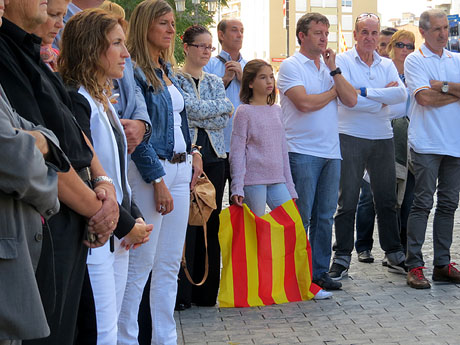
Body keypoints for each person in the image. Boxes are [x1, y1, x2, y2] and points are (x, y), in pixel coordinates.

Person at [0, 1, 119, 344]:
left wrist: (104, 182)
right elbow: (20, 156)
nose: (56, 20)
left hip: (75, 212)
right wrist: (99, 209)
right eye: (53, 14)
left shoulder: (31, 54)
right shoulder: (7, 53)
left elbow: (62, 135)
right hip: (52, 217)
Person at [59, 9, 153, 343]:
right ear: (90, 48)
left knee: (112, 326)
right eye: (116, 44)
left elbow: (117, 174)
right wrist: (129, 224)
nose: (126, 54)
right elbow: (87, 174)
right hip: (96, 236)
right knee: (99, 332)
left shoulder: (102, 99)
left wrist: (134, 217)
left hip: (116, 232)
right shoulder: (77, 100)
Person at [117, 1, 203, 344]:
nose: (171, 29)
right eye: (163, 23)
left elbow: (178, 121)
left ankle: (165, 339)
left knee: (168, 264)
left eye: (172, 23)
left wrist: (194, 151)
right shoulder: (133, 70)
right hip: (153, 170)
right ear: (145, 26)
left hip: (182, 168)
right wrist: (157, 180)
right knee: (140, 265)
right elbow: (139, 133)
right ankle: (125, 338)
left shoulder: (167, 67)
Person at [277, 13, 357, 292]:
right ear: (302, 35)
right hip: (300, 151)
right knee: (302, 216)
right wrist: (332, 93)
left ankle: (319, 272)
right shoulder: (291, 65)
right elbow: (304, 104)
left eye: (326, 32)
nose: (324, 38)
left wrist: (334, 71)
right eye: (318, 33)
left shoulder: (329, 68)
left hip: (331, 152)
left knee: (324, 216)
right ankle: (294, 272)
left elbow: (352, 98)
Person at [330, 12, 407, 280]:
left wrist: (362, 91)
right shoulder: (341, 61)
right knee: (347, 200)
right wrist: (377, 97)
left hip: (382, 136)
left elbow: (401, 97)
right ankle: (341, 256)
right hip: (349, 134)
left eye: (374, 33)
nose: (370, 38)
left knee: (386, 199)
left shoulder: (386, 64)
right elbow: (347, 100)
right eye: (365, 32)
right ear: (355, 34)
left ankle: (394, 253)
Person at [176, 24, 233, 308]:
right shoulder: (174, 78)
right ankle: (184, 291)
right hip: (189, 155)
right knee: (187, 223)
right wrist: (210, 111)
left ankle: (206, 292)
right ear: (186, 46)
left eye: (210, 47)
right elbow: (184, 112)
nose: (206, 52)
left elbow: (226, 113)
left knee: (211, 221)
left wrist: (203, 112)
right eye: (201, 46)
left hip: (216, 157)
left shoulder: (214, 81)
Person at [404, 9, 460, 289]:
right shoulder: (415, 60)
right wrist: (454, 92)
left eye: (445, 28)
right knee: (423, 203)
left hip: (455, 143)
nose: (443, 34)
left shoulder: (457, 59)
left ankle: (442, 264)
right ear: (423, 31)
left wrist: (444, 86)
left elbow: (434, 92)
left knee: (449, 204)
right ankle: (414, 264)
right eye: (437, 29)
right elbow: (424, 98)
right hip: (426, 142)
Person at [355, 30, 416, 265]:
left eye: (410, 46)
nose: (405, 49)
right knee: (370, 196)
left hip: (407, 138)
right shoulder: (384, 69)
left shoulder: (414, 72)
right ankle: (363, 246)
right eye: (400, 44)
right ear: (391, 47)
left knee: (404, 197)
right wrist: (388, 94)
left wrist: (392, 94)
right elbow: (373, 99)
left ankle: (398, 249)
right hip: (379, 133)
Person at [203, 18, 246, 201]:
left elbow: (262, 100)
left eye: (242, 30)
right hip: (216, 145)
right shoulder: (208, 65)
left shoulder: (250, 66)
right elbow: (201, 100)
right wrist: (225, 79)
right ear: (221, 35)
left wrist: (244, 79)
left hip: (243, 146)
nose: (239, 34)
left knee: (242, 204)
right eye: (234, 30)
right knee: (213, 202)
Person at [32, 0, 69, 71]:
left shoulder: (60, 59)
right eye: (53, 15)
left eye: (63, 17)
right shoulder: (17, 55)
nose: (61, 25)